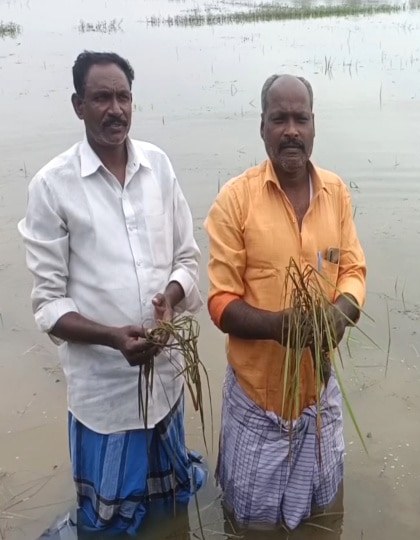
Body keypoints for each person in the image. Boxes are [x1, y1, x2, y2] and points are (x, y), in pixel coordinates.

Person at [17, 50, 206, 537]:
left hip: (165, 381)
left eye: (123, 96)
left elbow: (187, 259)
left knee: (169, 510)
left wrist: (168, 297)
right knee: (107, 522)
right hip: (104, 396)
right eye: (102, 97)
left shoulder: (157, 167)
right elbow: (49, 305)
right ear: (78, 105)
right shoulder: (52, 187)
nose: (115, 109)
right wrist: (112, 337)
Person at [204, 73, 367, 531]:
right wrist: (281, 326)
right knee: (253, 526)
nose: (291, 130)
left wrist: (339, 313)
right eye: (280, 119)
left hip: (319, 396)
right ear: (263, 128)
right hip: (258, 405)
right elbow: (220, 302)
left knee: (324, 517)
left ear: (314, 126)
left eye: (301, 119)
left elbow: (353, 271)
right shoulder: (235, 201)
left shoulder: (336, 193)